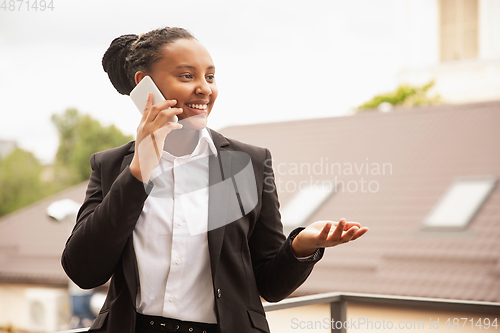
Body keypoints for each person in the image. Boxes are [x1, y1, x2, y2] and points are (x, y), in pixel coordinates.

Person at [61, 27, 368, 333]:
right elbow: (84, 271)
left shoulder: (245, 164)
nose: (204, 89)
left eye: (209, 76)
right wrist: (139, 170)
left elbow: (269, 286)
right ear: (145, 85)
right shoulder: (112, 166)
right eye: (186, 76)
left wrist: (301, 246)